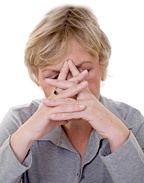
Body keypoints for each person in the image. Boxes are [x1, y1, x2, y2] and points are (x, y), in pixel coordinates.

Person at [0, 5, 144, 183]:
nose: (71, 86)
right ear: (37, 77)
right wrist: (27, 134)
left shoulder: (131, 121)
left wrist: (117, 134)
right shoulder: (18, 121)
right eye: (54, 76)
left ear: (103, 69)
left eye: (83, 71)